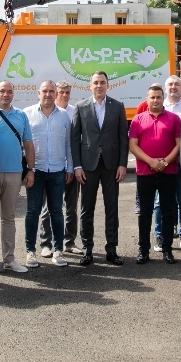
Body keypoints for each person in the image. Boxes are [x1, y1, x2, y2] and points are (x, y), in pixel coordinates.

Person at [72, 71, 129, 266]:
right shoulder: (81, 107)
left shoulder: (118, 106)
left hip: (112, 165)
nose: (99, 86)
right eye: (95, 82)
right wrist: (77, 166)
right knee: (86, 209)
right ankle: (87, 249)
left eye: (102, 82)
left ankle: (111, 249)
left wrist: (123, 164)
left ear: (108, 85)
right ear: (90, 86)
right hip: (88, 166)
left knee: (111, 208)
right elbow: (75, 139)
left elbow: (123, 138)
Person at [0, 81, 35, 275]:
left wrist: (31, 169)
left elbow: (28, 144)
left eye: (10, 91)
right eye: (2, 91)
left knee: (9, 218)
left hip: (14, 173)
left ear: (13, 94)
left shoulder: (21, 116)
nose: (6, 94)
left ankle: (9, 259)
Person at [129, 85, 181, 264]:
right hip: (145, 172)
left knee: (168, 212)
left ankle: (167, 249)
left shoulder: (174, 119)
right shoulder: (137, 120)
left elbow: (179, 145)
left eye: (159, 97)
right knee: (145, 213)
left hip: (168, 172)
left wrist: (165, 162)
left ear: (163, 98)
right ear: (147, 98)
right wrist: (151, 162)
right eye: (152, 97)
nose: (155, 100)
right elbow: (133, 145)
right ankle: (143, 250)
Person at [23, 81, 72, 268]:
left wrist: (69, 168)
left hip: (58, 171)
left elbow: (68, 144)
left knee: (57, 212)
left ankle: (58, 250)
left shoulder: (64, 117)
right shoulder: (27, 115)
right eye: (45, 91)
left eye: (52, 91)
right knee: (32, 212)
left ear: (56, 94)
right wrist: (29, 170)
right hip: (36, 172)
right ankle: (30, 251)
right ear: (38, 93)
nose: (48, 94)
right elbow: (24, 145)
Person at [38, 81, 83, 255]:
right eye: (61, 92)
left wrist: (72, 167)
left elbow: (74, 142)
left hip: (69, 167)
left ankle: (69, 241)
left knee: (71, 206)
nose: (64, 95)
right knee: (49, 207)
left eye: (67, 92)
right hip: (51, 168)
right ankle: (46, 242)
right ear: (56, 93)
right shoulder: (48, 112)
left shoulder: (73, 112)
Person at [154, 75, 181, 253]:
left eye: (177, 84)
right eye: (170, 84)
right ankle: (160, 236)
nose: (174, 87)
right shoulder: (158, 107)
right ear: (165, 88)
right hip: (162, 164)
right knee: (160, 202)